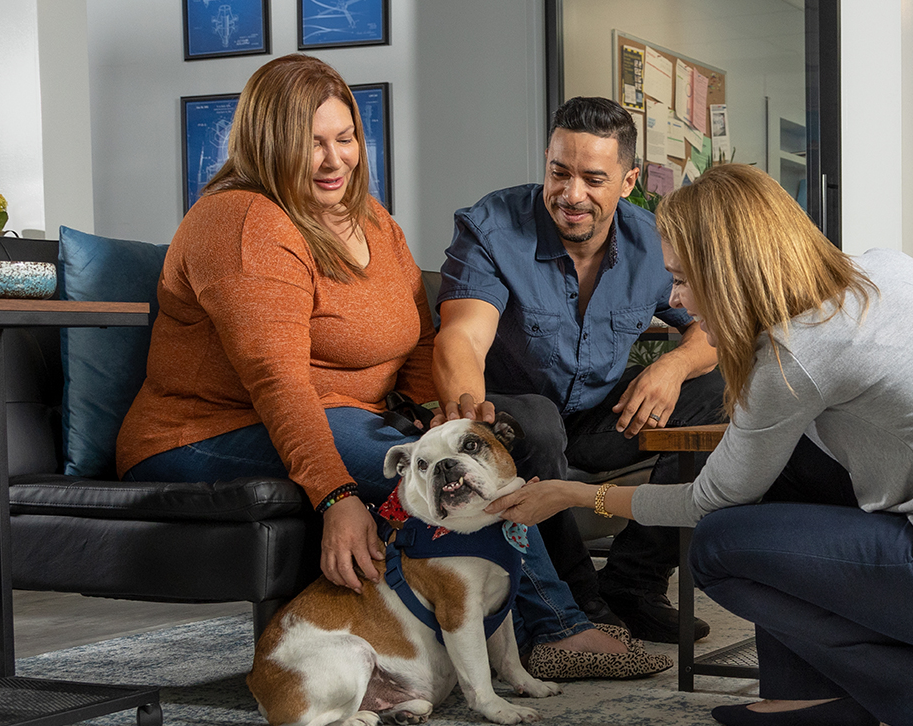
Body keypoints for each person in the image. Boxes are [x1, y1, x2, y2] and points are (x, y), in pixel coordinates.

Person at [114, 54, 667, 681]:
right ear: (267, 144)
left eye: (344, 138)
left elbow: (416, 345)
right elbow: (279, 381)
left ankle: (475, 634)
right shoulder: (242, 220)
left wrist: (439, 417)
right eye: (310, 144)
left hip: (351, 417)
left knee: (464, 456)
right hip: (208, 430)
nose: (334, 160)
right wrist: (336, 496)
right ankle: (558, 630)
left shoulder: (372, 220)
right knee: (419, 473)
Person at [485, 163, 913, 726]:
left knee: (721, 545)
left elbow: (706, 503)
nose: (675, 300)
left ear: (728, 272)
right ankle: (804, 697)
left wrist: (574, 494)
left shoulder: (796, 351)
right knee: (785, 473)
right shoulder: (880, 270)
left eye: (680, 280)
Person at [433, 96, 727, 644]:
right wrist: (467, 419)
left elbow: (713, 320)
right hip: (511, 417)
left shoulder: (651, 240)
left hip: (599, 421)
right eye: (558, 173)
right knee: (540, 419)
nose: (572, 195)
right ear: (545, 160)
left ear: (628, 180)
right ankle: (576, 601)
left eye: (593, 178)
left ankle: (633, 584)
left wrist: (676, 366)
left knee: (720, 388)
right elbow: (463, 337)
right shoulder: (492, 226)